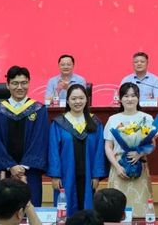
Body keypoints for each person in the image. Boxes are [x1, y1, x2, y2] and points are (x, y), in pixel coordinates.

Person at [0, 66, 49, 207]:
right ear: (8, 85)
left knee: (30, 210)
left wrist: (23, 166)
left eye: (24, 83)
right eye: (15, 83)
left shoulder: (39, 110)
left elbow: (40, 140)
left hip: (30, 173)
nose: (20, 87)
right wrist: (10, 166)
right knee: (6, 210)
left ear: (29, 83)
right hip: (5, 172)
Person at [48, 84, 107, 217]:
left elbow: (99, 151)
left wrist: (96, 175)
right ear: (67, 101)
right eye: (73, 99)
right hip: (65, 175)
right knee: (65, 207)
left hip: (88, 175)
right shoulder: (59, 123)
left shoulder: (95, 123)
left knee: (87, 208)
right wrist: (55, 175)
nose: (78, 102)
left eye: (81, 98)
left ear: (87, 100)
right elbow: (53, 151)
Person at [104, 82, 156, 217]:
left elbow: (153, 144)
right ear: (120, 99)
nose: (130, 99)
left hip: (139, 165)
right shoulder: (113, 119)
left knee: (141, 206)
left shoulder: (146, 118)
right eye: (126, 96)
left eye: (133, 96)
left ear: (138, 98)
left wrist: (140, 153)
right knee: (115, 207)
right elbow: (108, 146)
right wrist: (117, 166)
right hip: (119, 166)